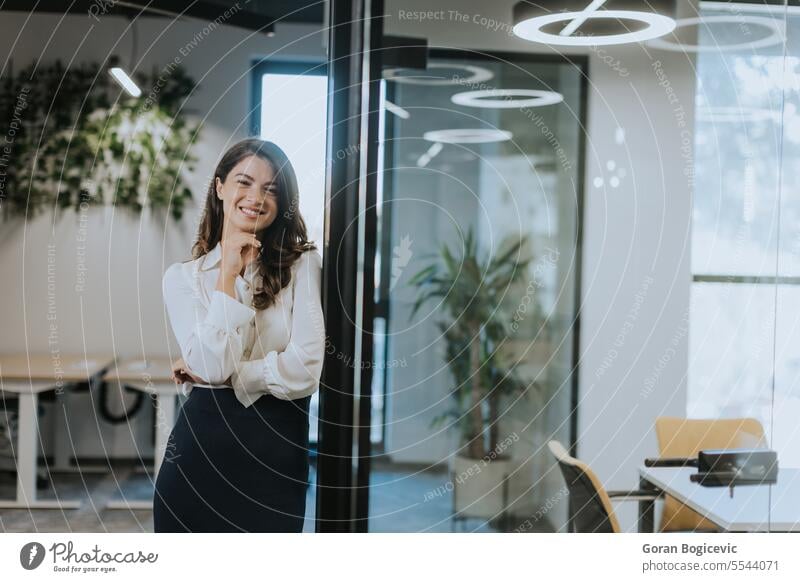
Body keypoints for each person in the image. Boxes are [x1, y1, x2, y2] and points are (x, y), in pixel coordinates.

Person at [153, 138, 325, 532]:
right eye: (244, 182)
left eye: (271, 190)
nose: (256, 197)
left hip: (276, 454)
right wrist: (229, 276)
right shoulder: (183, 278)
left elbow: (307, 369)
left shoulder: (301, 267)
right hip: (199, 456)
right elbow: (212, 367)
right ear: (220, 188)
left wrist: (236, 375)